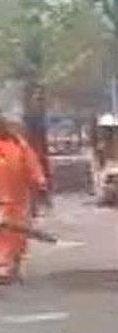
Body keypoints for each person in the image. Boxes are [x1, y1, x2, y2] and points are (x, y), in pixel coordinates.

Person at [0, 119, 49, 284]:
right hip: (13, 200)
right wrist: (40, 184)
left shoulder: (19, 145)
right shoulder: (18, 145)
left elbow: (32, 167)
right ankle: (7, 265)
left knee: (14, 233)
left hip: (14, 200)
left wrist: (40, 184)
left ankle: (8, 265)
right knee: (13, 233)